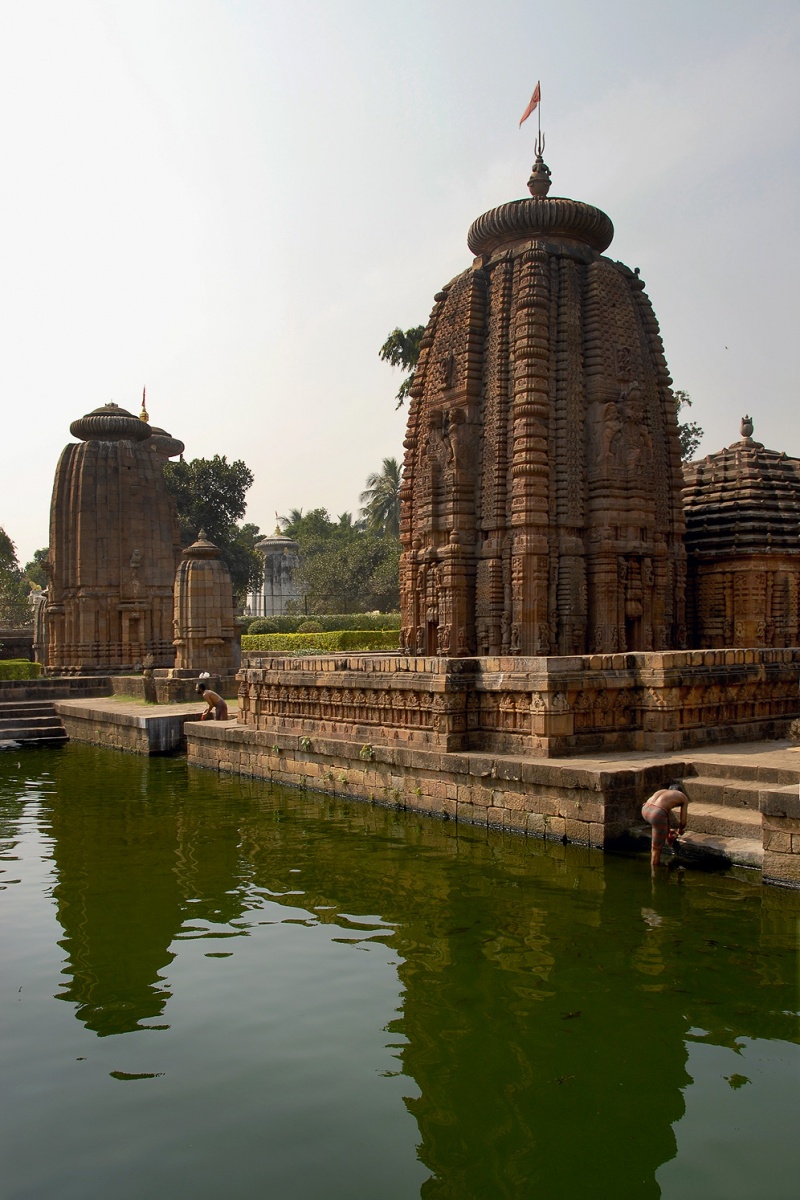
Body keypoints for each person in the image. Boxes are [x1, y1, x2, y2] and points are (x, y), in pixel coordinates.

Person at [641, 780, 688, 867]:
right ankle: (655, 871)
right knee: (656, 849)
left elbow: (664, 814)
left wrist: (667, 830)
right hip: (657, 814)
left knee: (659, 824)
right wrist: (680, 830)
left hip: (645, 809)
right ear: (680, 791)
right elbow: (683, 822)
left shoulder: (663, 792)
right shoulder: (682, 797)